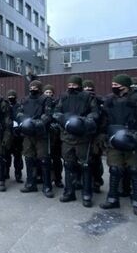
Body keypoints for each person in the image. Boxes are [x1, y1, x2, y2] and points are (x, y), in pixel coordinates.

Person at [98, 74, 137, 215]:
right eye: (114, 85)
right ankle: (112, 199)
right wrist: (102, 135)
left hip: (134, 140)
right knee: (115, 170)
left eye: (118, 86)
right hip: (114, 139)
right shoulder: (109, 100)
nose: (115, 88)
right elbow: (104, 120)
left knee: (136, 171)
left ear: (126, 86)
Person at [53, 76, 100, 207]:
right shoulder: (63, 97)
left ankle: (87, 194)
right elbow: (56, 112)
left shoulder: (88, 97)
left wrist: (84, 121)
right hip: (67, 137)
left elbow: (95, 113)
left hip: (83, 138)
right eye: (70, 84)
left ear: (79, 85)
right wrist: (63, 119)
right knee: (68, 165)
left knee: (86, 166)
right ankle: (69, 192)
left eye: (74, 84)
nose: (72, 87)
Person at [18, 80, 54, 197]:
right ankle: (30, 183)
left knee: (44, 159)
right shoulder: (25, 100)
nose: (33, 88)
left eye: (35, 87)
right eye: (31, 86)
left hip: (41, 134)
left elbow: (48, 115)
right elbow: (19, 113)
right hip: (28, 134)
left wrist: (38, 123)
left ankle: (47, 186)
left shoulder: (45, 99)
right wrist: (24, 120)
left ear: (39, 88)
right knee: (29, 158)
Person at [83, 79, 105, 193]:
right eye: (85, 89)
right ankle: (82, 181)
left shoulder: (99, 100)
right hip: (83, 136)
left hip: (96, 135)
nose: (87, 91)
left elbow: (104, 118)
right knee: (83, 160)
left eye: (89, 89)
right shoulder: (80, 101)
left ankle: (97, 182)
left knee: (96, 160)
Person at [43, 84, 63, 188]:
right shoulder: (41, 103)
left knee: (56, 159)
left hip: (55, 136)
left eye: (50, 93)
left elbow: (59, 116)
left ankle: (58, 179)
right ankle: (46, 179)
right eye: (46, 92)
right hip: (44, 136)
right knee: (45, 159)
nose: (48, 94)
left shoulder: (57, 104)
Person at [4, 89, 24, 183]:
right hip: (7, 134)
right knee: (6, 155)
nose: (11, 98)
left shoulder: (19, 106)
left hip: (17, 134)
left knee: (18, 156)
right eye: (9, 96)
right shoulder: (5, 106)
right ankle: (6, 173)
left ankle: (18, 175)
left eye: (13, 96)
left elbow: (20, 117)